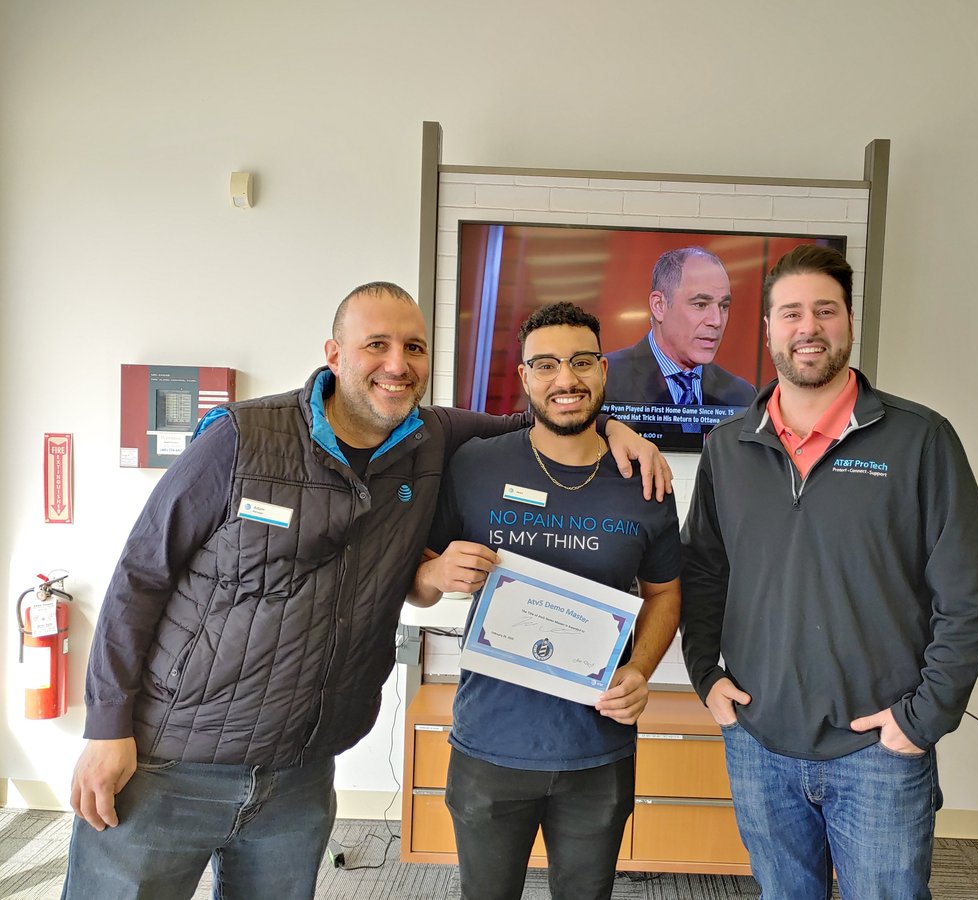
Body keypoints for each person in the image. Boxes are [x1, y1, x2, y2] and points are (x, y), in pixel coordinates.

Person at [62, 282, 671, 900]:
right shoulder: (242, 438)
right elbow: (141, 576)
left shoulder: (431, 438)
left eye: (414, 347)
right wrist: (107, 725)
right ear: (334, 354)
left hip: (299, 771)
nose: (397, 365)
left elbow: (549, 413)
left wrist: (618, 428)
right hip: (173, 757)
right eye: (376, 345)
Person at [679, 246, 978, 900]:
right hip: (760, 742)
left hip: (878, 749)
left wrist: (923, 718)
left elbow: (966, 593)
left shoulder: (920, 440)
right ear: (767, 328)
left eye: (825, 311)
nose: (809, 327)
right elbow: (705, 572)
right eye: (791, 313)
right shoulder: (728, 447)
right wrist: (705, 674)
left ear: (849, 321)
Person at [412, 301, 682, 900]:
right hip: (490, 743)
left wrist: (640, 670)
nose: (566, 378)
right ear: (525, 376)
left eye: (582, 362)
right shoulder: (473, 465)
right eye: (547, 364)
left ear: (603, 371)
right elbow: (418, 584)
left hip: (597, 749)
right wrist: (435, 575)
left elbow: (665, 592)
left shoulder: (644, 479)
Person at [604, 247, 756, 408]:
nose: (716, 321)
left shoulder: (742, 396)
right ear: (659, 306)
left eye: (724, 306)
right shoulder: (604, 380)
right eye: (700, 305)